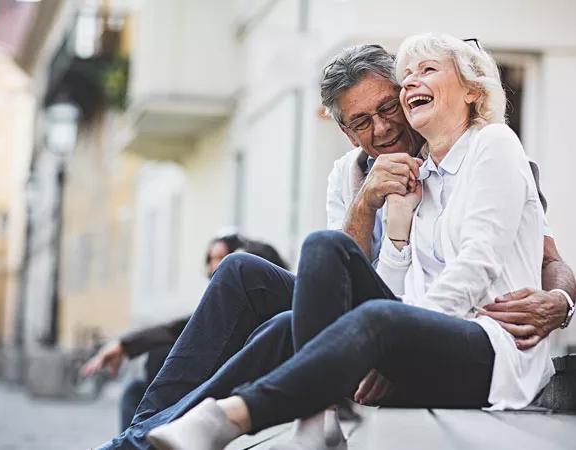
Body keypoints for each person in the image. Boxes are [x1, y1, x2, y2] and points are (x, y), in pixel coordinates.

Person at [94, 43, 575, 450]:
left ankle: (270, 412)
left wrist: (562, 300)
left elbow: (547, 256)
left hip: (436, 326)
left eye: (389, 108)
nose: (382, 129)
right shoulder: (347, 174)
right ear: (344, 130)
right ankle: (143, 436)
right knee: (242, 271)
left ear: (406, 98)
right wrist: (367, 201)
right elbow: (336, 272)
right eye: (362, 122)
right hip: (361, 313)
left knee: (288, 323)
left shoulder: (472, 154)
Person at [82, 233, 288, 431]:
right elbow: (178, 328)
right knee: (135, 388)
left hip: (236, 383)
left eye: (221, 258)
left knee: (153, 371)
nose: (214, 266)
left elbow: (176, 330)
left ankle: (139, 436)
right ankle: (140, 435)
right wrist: (123, 346)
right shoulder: (222, 299)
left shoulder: (252, 278)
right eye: (211, 259)